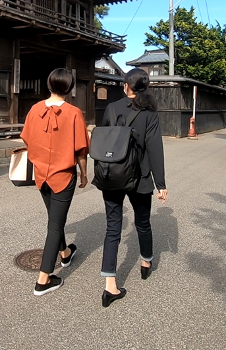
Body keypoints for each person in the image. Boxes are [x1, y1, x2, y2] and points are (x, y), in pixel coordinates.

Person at [98, 68, 168, 307]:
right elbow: (155, 148)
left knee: (113, 228)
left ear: (126, 85)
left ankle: (110, 285)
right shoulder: (149, 112)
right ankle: (146, 261)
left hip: (113, 175)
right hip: (140, 176)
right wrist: (161, 184)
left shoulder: (111, 108)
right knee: (143, 222)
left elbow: (104, 141)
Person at [20, 68, 90, 296]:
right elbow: (81, 150)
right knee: (55, 225)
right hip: (63, 175)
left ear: (49, 85)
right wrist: (84, 173)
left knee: (54, 219)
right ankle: (43, 279)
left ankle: (65, 254)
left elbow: (27, 138)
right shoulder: (74, 113)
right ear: (69, 88)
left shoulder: (35, 109)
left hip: (41, 174)